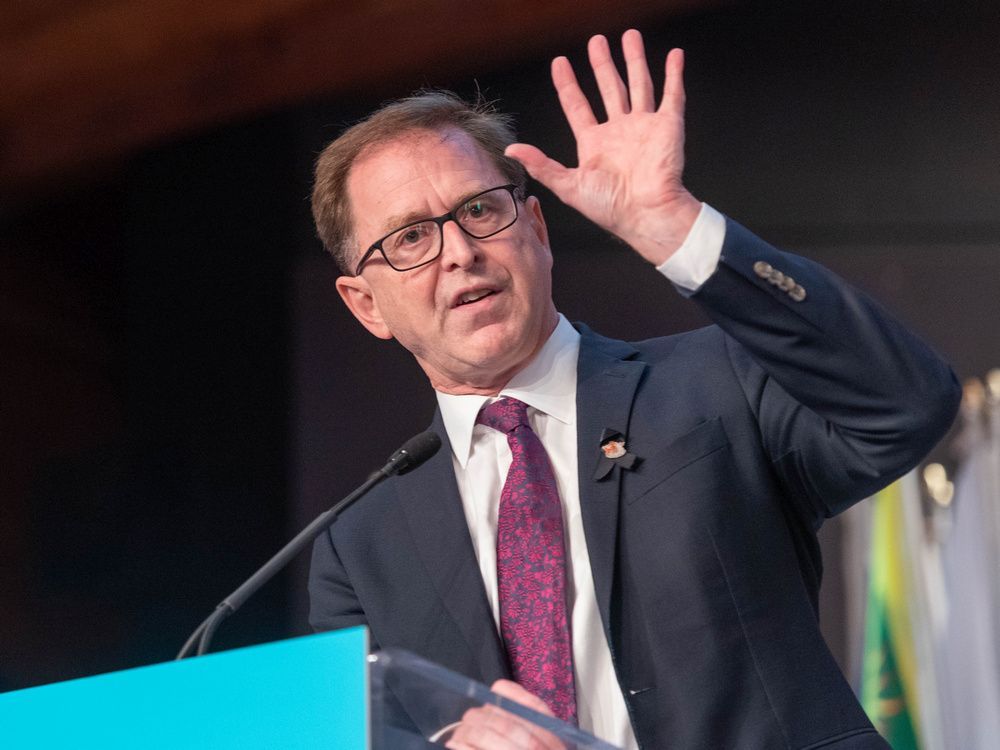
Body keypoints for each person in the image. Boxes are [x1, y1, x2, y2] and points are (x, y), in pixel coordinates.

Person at [308, 29, 959, 750]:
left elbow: (908, 403)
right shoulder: (359, 547)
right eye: (409, 240)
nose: (459, 252)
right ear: (365, 304)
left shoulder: (719, 383)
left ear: (536, 229)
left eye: (481, 211)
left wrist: (672, 226)